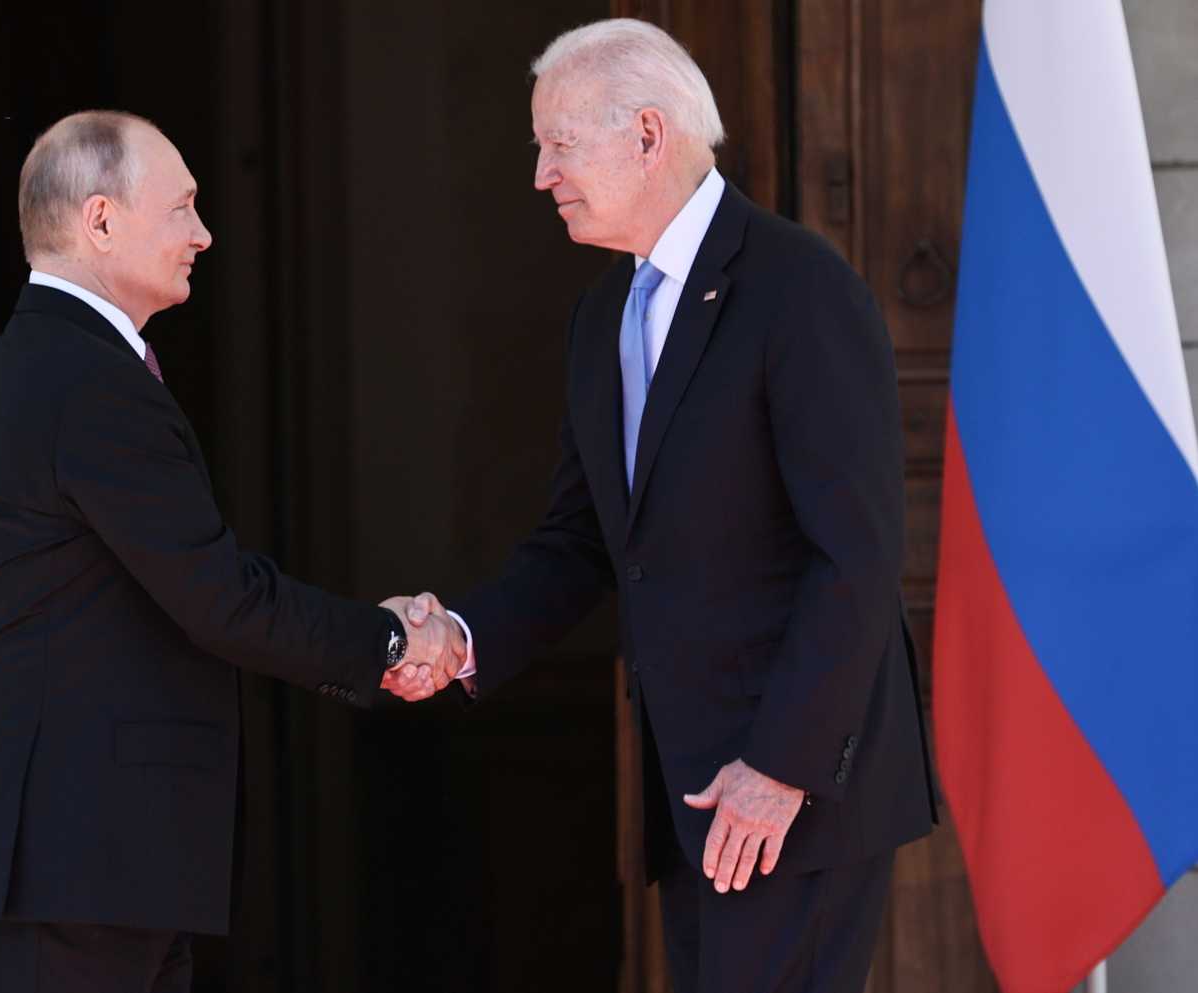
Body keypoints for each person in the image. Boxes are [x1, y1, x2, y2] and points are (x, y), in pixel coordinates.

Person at [400, 20, 935, 993]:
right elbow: (584, 539)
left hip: (793, 794)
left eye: (557, 143)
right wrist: (465, 634)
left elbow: (853, 556)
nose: (539, 174)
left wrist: (779, 769)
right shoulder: (605, 312)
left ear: (648, 135)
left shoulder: (797, 289)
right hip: (689, 794)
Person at [0, 110, 464, 993]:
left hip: (96, 863)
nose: (204, 235)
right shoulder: (83, 377)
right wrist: (392, 642)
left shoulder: (65, 363)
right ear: (101, 221)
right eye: (182, 208)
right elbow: (219, 597)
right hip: (73, 863)